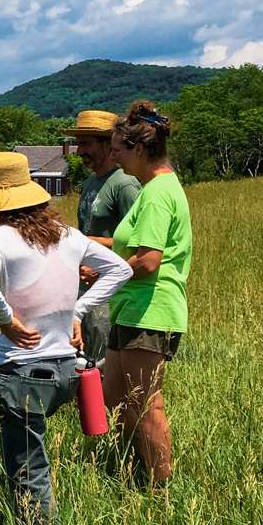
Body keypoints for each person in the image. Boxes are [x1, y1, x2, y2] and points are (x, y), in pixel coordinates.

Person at [0, 153, 131, 525]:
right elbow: (121, 269)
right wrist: (78, 310)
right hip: (68, 371)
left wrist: (6, 321)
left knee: (28, 469)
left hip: (22, 373)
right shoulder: (69, 235)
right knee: (36, 461)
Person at [105, 101, 192, 487]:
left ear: (138, 150)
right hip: (129, 308)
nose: (112, 155)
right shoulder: (151, 189)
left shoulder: (157, 193)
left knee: (146, 402)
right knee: (116, 396)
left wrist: (104, 275)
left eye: (117, 148)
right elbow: (128, 245)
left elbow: (149, 260)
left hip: (150, 310)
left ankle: (159, 489)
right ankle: (129, 472)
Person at [61, 110, 141, 369]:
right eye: (77, 143)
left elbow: (135, 240)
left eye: (86, 144)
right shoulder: (89, 183)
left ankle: (108, 409)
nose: (78, 151)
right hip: (83, 287)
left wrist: (86, 243)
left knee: (105, 360)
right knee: (82, 357)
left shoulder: (125, 184)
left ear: (108, 144)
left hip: (109, 287)